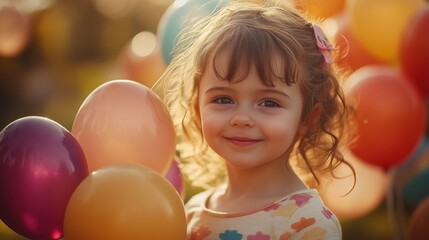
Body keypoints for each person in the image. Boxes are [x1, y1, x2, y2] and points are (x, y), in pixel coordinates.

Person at [155, 0, 355, 239]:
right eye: (223, 99)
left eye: (269, 103)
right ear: (197, 107)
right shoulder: (193, 212)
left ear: (307, 118)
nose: (241, 119)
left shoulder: (306, 223)